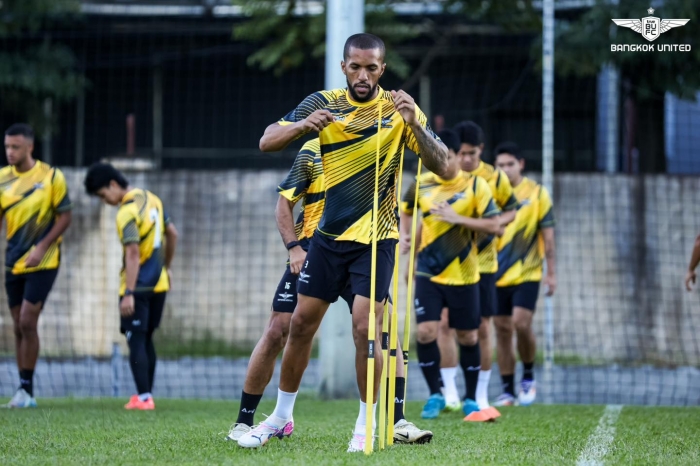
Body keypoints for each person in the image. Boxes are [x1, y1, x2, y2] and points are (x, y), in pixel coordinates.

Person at [237, 33, 447, 452]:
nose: (363, 75)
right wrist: (302, 125)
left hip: (376, 239)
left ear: (382, 69)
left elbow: (442, 165)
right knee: (298, 326)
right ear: (344, 66)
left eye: (372, 68)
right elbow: (265, 141)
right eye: (356, 67)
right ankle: (279, 417)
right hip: (327, 239)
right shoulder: (323, 102)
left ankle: (367, 424)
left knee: (366, 329)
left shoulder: (397, 107)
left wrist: (417, 126)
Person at [227, 139, 418, 444]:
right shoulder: (313, 150)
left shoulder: (377, 145)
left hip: (363, 250)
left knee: (383, 328)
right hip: (315, 249)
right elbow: (283, 201)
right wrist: (293, 248)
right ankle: (246, 420)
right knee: (281, 327)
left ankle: (396, 422)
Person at [400, 129, 502, 422]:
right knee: (425, 332)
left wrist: (459, 219)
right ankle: (436, 394)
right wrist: (406, 236)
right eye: (435, 155)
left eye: (446, 156)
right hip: (428, 272)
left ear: (458, 155)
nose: (440, 162)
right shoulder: (421, 184)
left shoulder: (476, 187)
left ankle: (471, 399)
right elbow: (406, 211)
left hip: (465, 274)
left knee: (468, 336)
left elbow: (495, 225)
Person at [435, 121, 519, 412]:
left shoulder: (494, 178)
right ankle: (450, 394)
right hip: (446, 263)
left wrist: (493, 224)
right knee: (443, 324)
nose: (467, 159)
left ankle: (480, 394)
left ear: (481, 150)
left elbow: (510, 211)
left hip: (482, 263)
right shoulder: (443, 176)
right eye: (463, 153)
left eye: (472, 153)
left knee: (481, 327)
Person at [84, 163, 178, 410]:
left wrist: (129, 293)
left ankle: (144, 398)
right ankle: (146, 395)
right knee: (147, 338)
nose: (106, 201)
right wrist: (166, 267)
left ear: (113, 185)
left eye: (104, 195)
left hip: (137, 287)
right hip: (160, 284)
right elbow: (173, 233)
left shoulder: (126, 212)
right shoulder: (152, 199)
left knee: (135, 339)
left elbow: (133, 253)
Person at [1, 123, 73, 408]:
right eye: (7, 146)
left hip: (44, 261)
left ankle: (27, 391)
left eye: (15, 147)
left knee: (28, 321)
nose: (10, 152)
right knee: (18, 326)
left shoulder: (51, 176)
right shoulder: (3, 179)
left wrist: (41, 247)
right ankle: (23, 390)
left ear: (30, 147)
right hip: (13, 262)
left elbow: (65, 217)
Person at [493, 142, 556, 406]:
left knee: (521, 323)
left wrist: (551, 273)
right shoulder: (489, 192)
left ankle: (528, 376)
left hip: (528, 273)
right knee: (502, 330)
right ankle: (508, 390)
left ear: (521, 164)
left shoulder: (538, 193)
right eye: (500, 165)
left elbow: (548, 238)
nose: (505, 169)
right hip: (495, 274)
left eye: (510, 164)